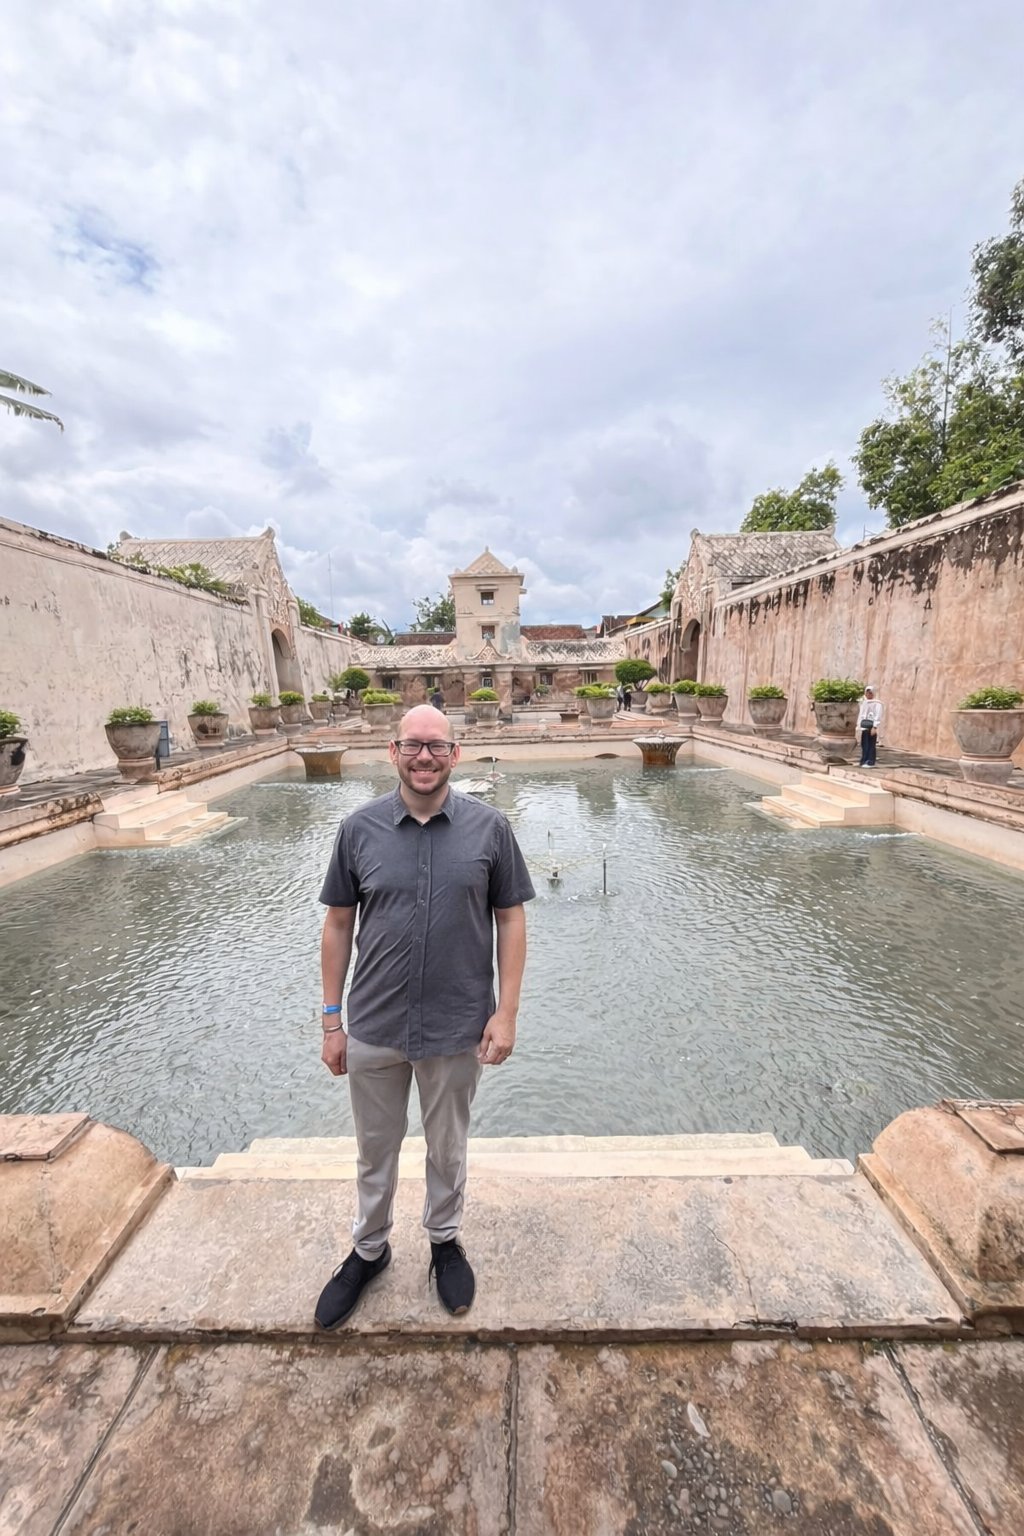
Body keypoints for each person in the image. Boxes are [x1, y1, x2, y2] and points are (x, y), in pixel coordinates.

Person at [314, 704, 536, 1330]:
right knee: (374, 1148)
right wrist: (332, 1023)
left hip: (457, 1023)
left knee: (447, 1146)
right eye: (413, 745)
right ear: (393, 752)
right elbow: (337, 924)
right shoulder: (358, 831)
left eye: (437, 747)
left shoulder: (490, 829)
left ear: (455, 756)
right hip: (376, 1023)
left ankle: (444, 1240)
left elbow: (511, 918)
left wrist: (507, 1012)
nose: (424, 758)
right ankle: (369, 1250)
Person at [857, 685, 883, 766]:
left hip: (871, 726)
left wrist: (874, 727)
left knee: (871, 744)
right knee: (864, 744)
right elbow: (861, 715)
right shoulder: (864, 702)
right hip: (864, 726)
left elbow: (878, 715)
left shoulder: (877, 703)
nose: (869, 694)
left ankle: (870, 761)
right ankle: (864, 760)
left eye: (870, 693)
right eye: (867, 693)